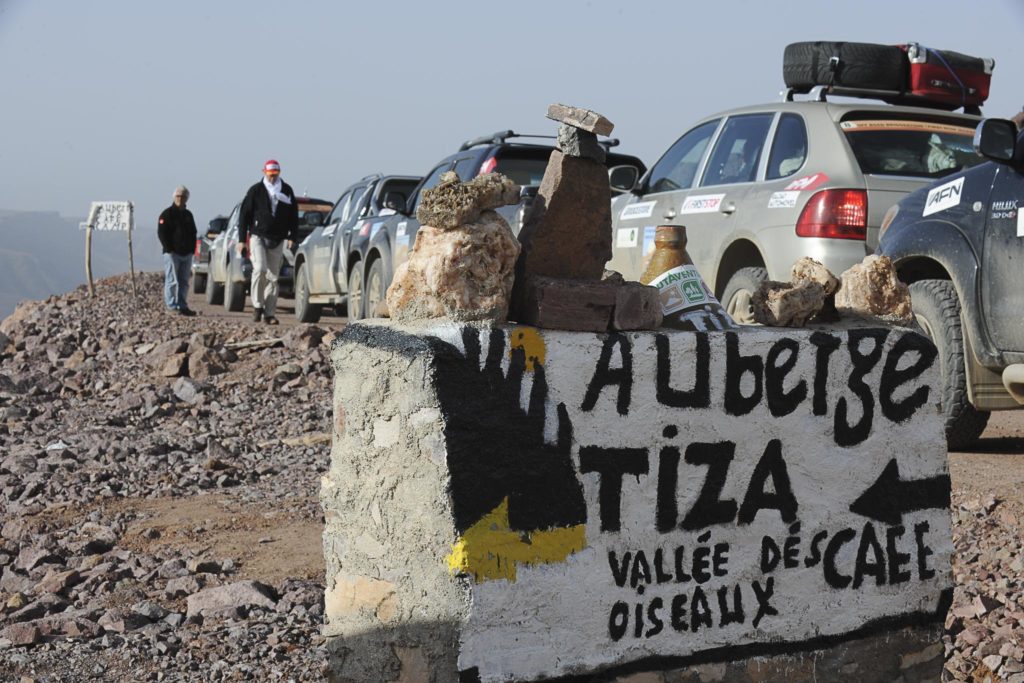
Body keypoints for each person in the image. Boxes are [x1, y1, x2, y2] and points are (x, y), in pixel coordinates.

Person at [238, 159, 299, 325]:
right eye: (270, 174)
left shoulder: (286, 190)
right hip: (258, 235)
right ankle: (257, 306)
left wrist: (292, 236)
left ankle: (269, 313)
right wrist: (241, 239)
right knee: (260, 269)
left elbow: (294, 216)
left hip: (278, 238)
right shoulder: (256, 191)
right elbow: (244, 215)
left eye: (275, 174)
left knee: (273, 276)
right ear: (264, 172)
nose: (272, 178)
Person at [157, 185, 198, 316]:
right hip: (172, 254)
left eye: (183, 196)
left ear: (187, 199)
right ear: (174, 197)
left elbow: (193, 232)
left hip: (187, 254)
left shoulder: (188, 215)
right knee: (172, 280)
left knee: (184, 281)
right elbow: (162, 233)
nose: (180, 199)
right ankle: (171, 306)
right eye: (178, 196)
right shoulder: (166, 214)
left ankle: (182, 305)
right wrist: (169, 249)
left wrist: (192, 250)